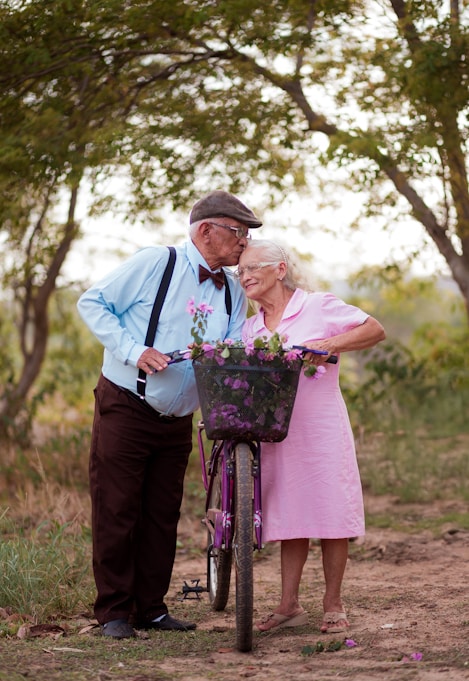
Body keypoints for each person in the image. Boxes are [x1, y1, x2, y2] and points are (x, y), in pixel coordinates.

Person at [77, 191, 262, 639]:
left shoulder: (233, 292)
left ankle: (152, 609)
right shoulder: (155, 263)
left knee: (163, 512)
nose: (244, 244)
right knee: (118, 508)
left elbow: (233, 348)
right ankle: (115, 614)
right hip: (127, 404)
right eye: (238, 233)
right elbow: (92, 303)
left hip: (179, 419)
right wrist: (134, 351)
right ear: (206, 231)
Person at [237, 239, 385, 634]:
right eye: (240, 272)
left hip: (320, 427)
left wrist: (329, 344)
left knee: (331, 512)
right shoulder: (251, 327)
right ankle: (288, 605)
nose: (244, 276)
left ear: (279, 269)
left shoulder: (317, 306)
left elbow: (374, 329)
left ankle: (333, 604)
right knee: (291, 514)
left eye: (252, 268)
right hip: (277, 433)